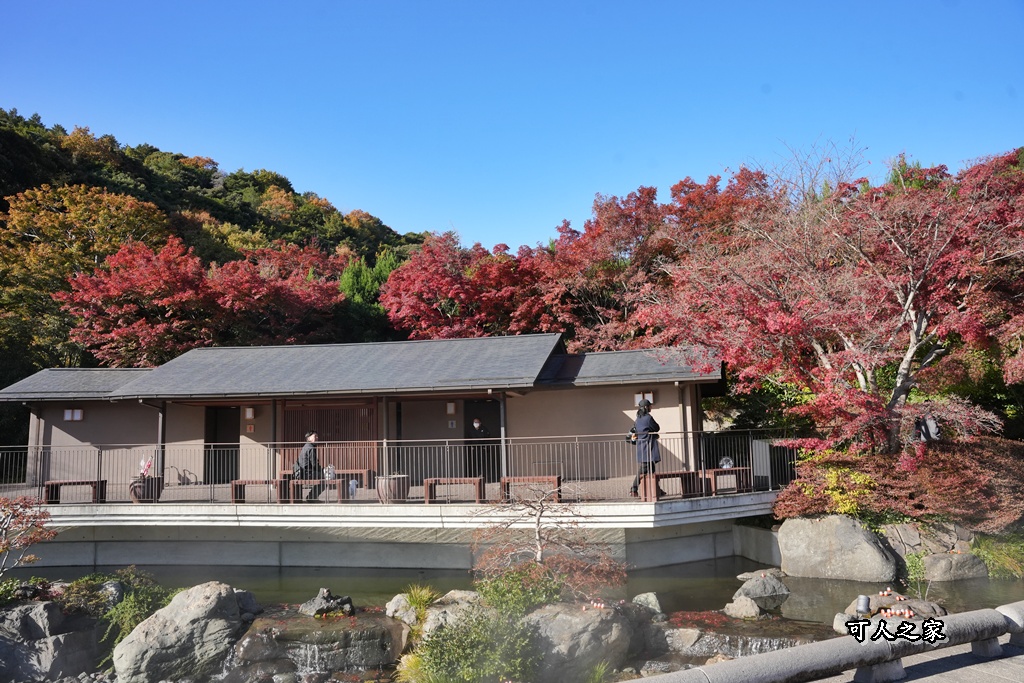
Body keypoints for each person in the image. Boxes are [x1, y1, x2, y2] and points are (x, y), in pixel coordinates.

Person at [629, 399, 664, 497]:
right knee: (643, 469)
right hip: (648, 447)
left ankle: (657, 489)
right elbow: (656, 427)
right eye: (650, 406)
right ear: (646, 407)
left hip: (641, 446)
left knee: (651, 469)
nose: (651, 407)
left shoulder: (638, 419)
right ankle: (633, 489)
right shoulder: (648, 418)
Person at [296, 430, 325, 502]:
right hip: (307, 473)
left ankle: (311, 497)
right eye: (315, 436)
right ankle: (311, 497)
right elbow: (314, 463)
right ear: (309, 438)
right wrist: (321, 471)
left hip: (302, 472)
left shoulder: (306, 446)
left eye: (317, 436)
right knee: (325, 479)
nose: (317, 438)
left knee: (321, 477)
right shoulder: (311, 448)